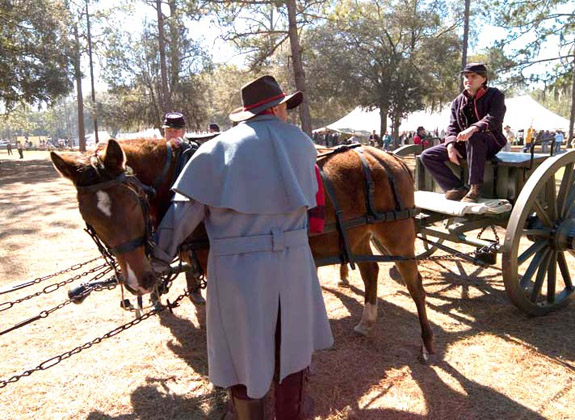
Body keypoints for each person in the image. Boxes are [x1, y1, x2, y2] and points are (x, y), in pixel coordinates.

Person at [152, 75, 333, 419]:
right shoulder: (303, 143)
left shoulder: (216, 149)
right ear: (277, 108)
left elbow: (183, 209)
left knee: (242, 351)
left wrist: (159, 258)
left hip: (239, 272)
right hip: (294, 264)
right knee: (291, 348)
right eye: (285, 107)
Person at [420, 63, 507, 202]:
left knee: (475, 137)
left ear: (483, 79)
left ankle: (475, 189)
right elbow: (453, 126)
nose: (468, 80)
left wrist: (474, 128)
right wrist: (450, 146)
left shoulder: (495, 95)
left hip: (490, 142)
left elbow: (494, 118)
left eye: (473, 76)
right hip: (466, 143)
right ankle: (457, 188)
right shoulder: (457, 102)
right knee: (428, 155)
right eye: (466, 76)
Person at [160, 111, 206, 305]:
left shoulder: (192, 150)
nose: (173, 134)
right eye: (169, 130)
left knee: (193, 247)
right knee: (157, 250)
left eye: (177, 130)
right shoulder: (157, 153)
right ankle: (156, 292)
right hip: (162, 206)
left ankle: (194, 289)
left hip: (185, 204)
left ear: (183, 131)